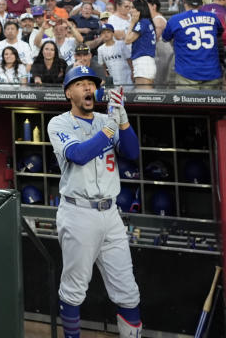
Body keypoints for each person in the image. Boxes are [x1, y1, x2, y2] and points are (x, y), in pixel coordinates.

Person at [47, 67, 142, 338]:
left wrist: (122, 120)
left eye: (91, 83)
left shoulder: (106, 118)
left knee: (128, 290)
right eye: (80, 84)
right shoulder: (59, 123)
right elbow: (78, 154)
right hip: (78, 212)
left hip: (111, 213)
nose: (88, 88)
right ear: (68, 93)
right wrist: (111, 127)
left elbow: (133, 152)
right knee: (75, 289)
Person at [161, 0, 223, 88]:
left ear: (183, 1)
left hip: (187, 72)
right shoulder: (213, 17)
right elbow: (219, 34)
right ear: (201, 2)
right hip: (212, 71)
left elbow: (165, 38)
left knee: (188, 103)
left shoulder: (175, 19)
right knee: (211, 103)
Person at [125, 0, 157, 88]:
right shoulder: (147, 22)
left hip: (142, 62)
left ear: (139, 10)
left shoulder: (142, 23)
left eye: (132, 7)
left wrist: (132, 22)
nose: (130, 10)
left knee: (143, 95)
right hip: (146, 62)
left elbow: (127, 40)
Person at [96, 24, 133, 89]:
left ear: (113, 33)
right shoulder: (100, 49)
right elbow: (102, 65)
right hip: (114, 80)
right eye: (103, 33)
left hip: (127, 77)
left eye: (108, 32)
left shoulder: (121, 44)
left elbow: (129, 59)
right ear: (100, 35)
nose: (106, 34)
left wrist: (133, 72)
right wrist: (106, 76)